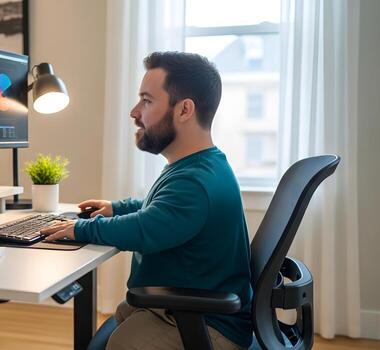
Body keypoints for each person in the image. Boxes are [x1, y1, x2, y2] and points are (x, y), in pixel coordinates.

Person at [40, 51, 252, 350]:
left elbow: (147, 228)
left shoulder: (195, 181)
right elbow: (164, 210)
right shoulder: (199, 167)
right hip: (177, 308)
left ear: (184, 110)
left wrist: (80, 229)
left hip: (205, 322)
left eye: (147, 101)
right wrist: (117, 208)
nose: (134, 111)